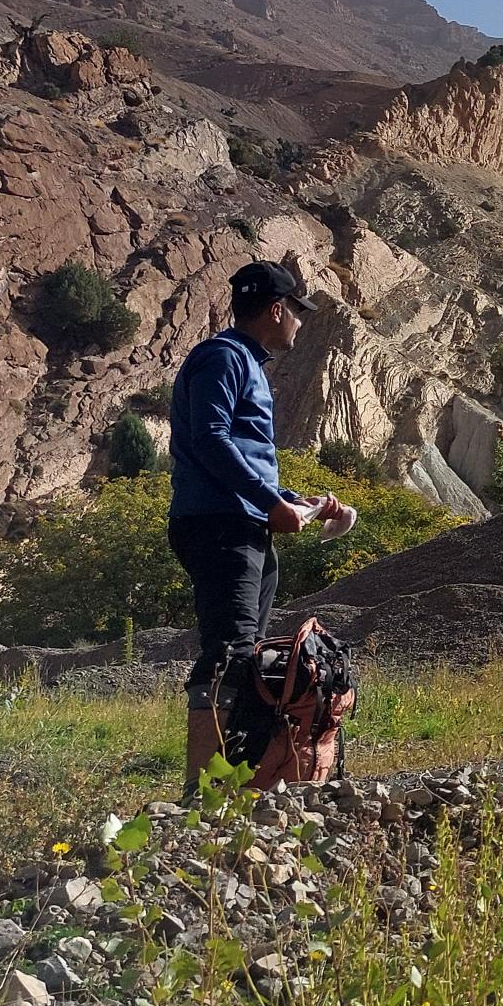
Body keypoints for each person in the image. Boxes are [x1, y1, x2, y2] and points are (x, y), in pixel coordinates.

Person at [168, 261, 349, 795]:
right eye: (297, 311)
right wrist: (272, 502)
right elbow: (212, 441)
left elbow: (238, 455)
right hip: (220, 527)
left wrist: (298, 501)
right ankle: (203, 793)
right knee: (228, 652)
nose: (299, 323)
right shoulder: (223, 359)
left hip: (240, 524)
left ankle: (239, 785)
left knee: (243, 653)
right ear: (276, 309)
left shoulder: (241, 362)